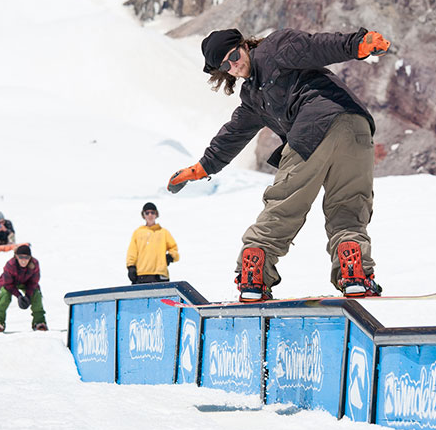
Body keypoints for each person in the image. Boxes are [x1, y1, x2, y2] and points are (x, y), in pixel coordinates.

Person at [166, 27, 390, 302]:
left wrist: (357, 44)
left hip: (317, 125)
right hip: (356, 127)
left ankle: (255, 272)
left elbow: (316, 46)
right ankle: (354, 272)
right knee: (350, 205)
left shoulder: (274, 49)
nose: (234, 65)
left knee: (285, 206)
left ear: (244, 45)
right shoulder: (252, 99)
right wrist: (203, 167)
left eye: (235, 55)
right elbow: (234, 134)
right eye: (226, 64)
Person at [0, 244, 47, 332]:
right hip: (9, 283)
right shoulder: (10, 265)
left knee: (36, 294)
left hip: (27, 283)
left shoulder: (34, 264)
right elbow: (8, 284)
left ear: (30, 257)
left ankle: (39, 322)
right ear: (16, 256)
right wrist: (19, 296)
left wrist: (28, 296)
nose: (23, 260)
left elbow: (33, 282)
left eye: (26, 258)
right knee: (5, 296)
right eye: (21, 257)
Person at [126, 202, 180, 284]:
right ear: (143, 215)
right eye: (147, 213)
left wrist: (170, 256)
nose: (150, 215)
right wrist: (131, 267)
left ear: (156, 214)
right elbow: (132, 252)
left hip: (160, 274)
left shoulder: (164, 232)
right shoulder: (138, 232)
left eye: (152, 212)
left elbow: (174, 249)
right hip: (142, 275)